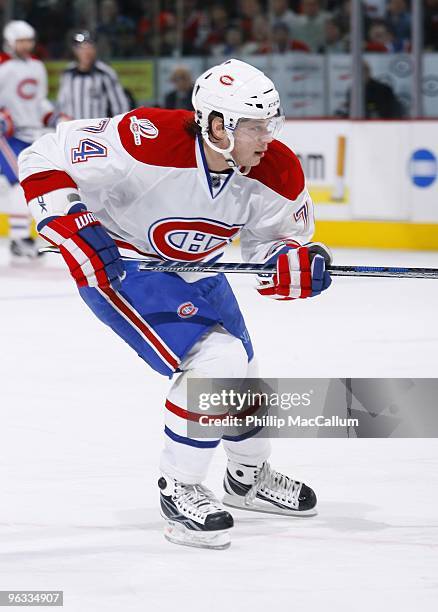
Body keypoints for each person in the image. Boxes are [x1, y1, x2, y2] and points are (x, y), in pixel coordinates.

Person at [18, 59, 332, 550]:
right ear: (214, 125)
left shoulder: (279, 168)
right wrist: (69, 218)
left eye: (270, 123)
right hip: (122, 263)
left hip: (202, 270)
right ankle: (179, 487)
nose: (266, 137)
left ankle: (247, 479)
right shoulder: (145, 138)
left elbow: (273, 247)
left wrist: (293, 262)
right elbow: (43, 154)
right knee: (217, 362)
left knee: (243, 374)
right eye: (252, 126)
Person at [0, 20, 68, 261]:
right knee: (19, 186)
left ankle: (28, 237)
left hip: (35, 134)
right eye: (20, 41)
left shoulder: (37, 67)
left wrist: (54, 115)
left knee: (36, 184)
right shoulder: (3, 68)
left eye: (28, 40)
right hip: (9, 137)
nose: (26, 45)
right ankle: (20, 240)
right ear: (10, 42)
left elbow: (39, 101)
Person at [56, 30, 129, 120]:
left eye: (89, 47)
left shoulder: (105, 73)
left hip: (96, 131)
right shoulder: (68, 73)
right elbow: (62, 103)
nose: (86, 52)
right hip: (72, 129)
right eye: (82, 48)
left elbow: (120, 106)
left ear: (95, 49)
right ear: (75, 51)